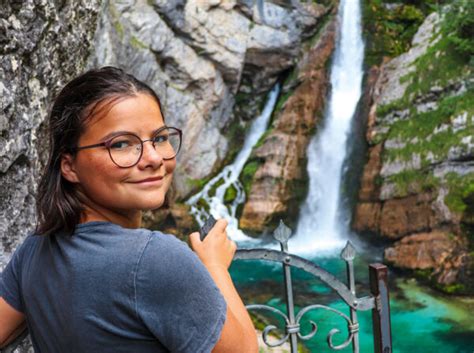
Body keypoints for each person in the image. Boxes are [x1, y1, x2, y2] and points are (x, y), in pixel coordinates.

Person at [0, 67, 258, 353]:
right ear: (70, 166)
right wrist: (214, 266)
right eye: (121, 144)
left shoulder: (36, 248)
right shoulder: (155, 259)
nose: (153, 158)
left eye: (159, 138)